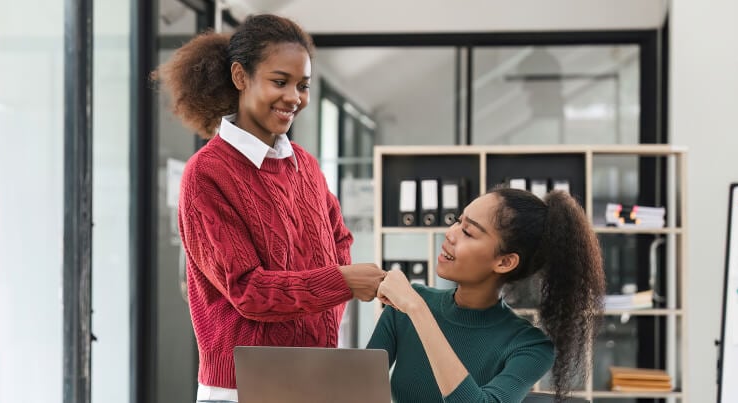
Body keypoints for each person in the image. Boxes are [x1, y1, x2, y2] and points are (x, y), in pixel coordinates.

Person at [153, 14, 386, 403]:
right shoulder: (206, 174)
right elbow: (247, 289)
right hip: (242, 387)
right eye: (280, 82)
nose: (294, 97)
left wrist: (330, 291)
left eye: (303, 85)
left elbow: (339, 238)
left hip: (317, 376)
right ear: (241, 77)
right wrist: (339, 282)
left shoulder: (306, 166)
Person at [369, 188, 605, 403]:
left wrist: (417, 310)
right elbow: (357, 390)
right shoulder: (403, 309)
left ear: (504, 262)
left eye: (468, 232)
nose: (450, 234)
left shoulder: (530, 346)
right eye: (457, 221)